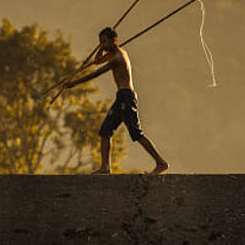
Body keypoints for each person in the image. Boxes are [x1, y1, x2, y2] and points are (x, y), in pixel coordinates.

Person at [64, 27, 169, 175]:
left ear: (114, 41)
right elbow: (97, 61)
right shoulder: (114, 52)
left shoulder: (117, 57)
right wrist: (100, 48)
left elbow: (97, 72)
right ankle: (105, 168)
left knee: (136, 133)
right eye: (100, 42)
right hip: (121, 97)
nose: (102, 45)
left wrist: (75, 83)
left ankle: (161, 163)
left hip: (126, 96)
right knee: (105, 131)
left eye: (104, 42)